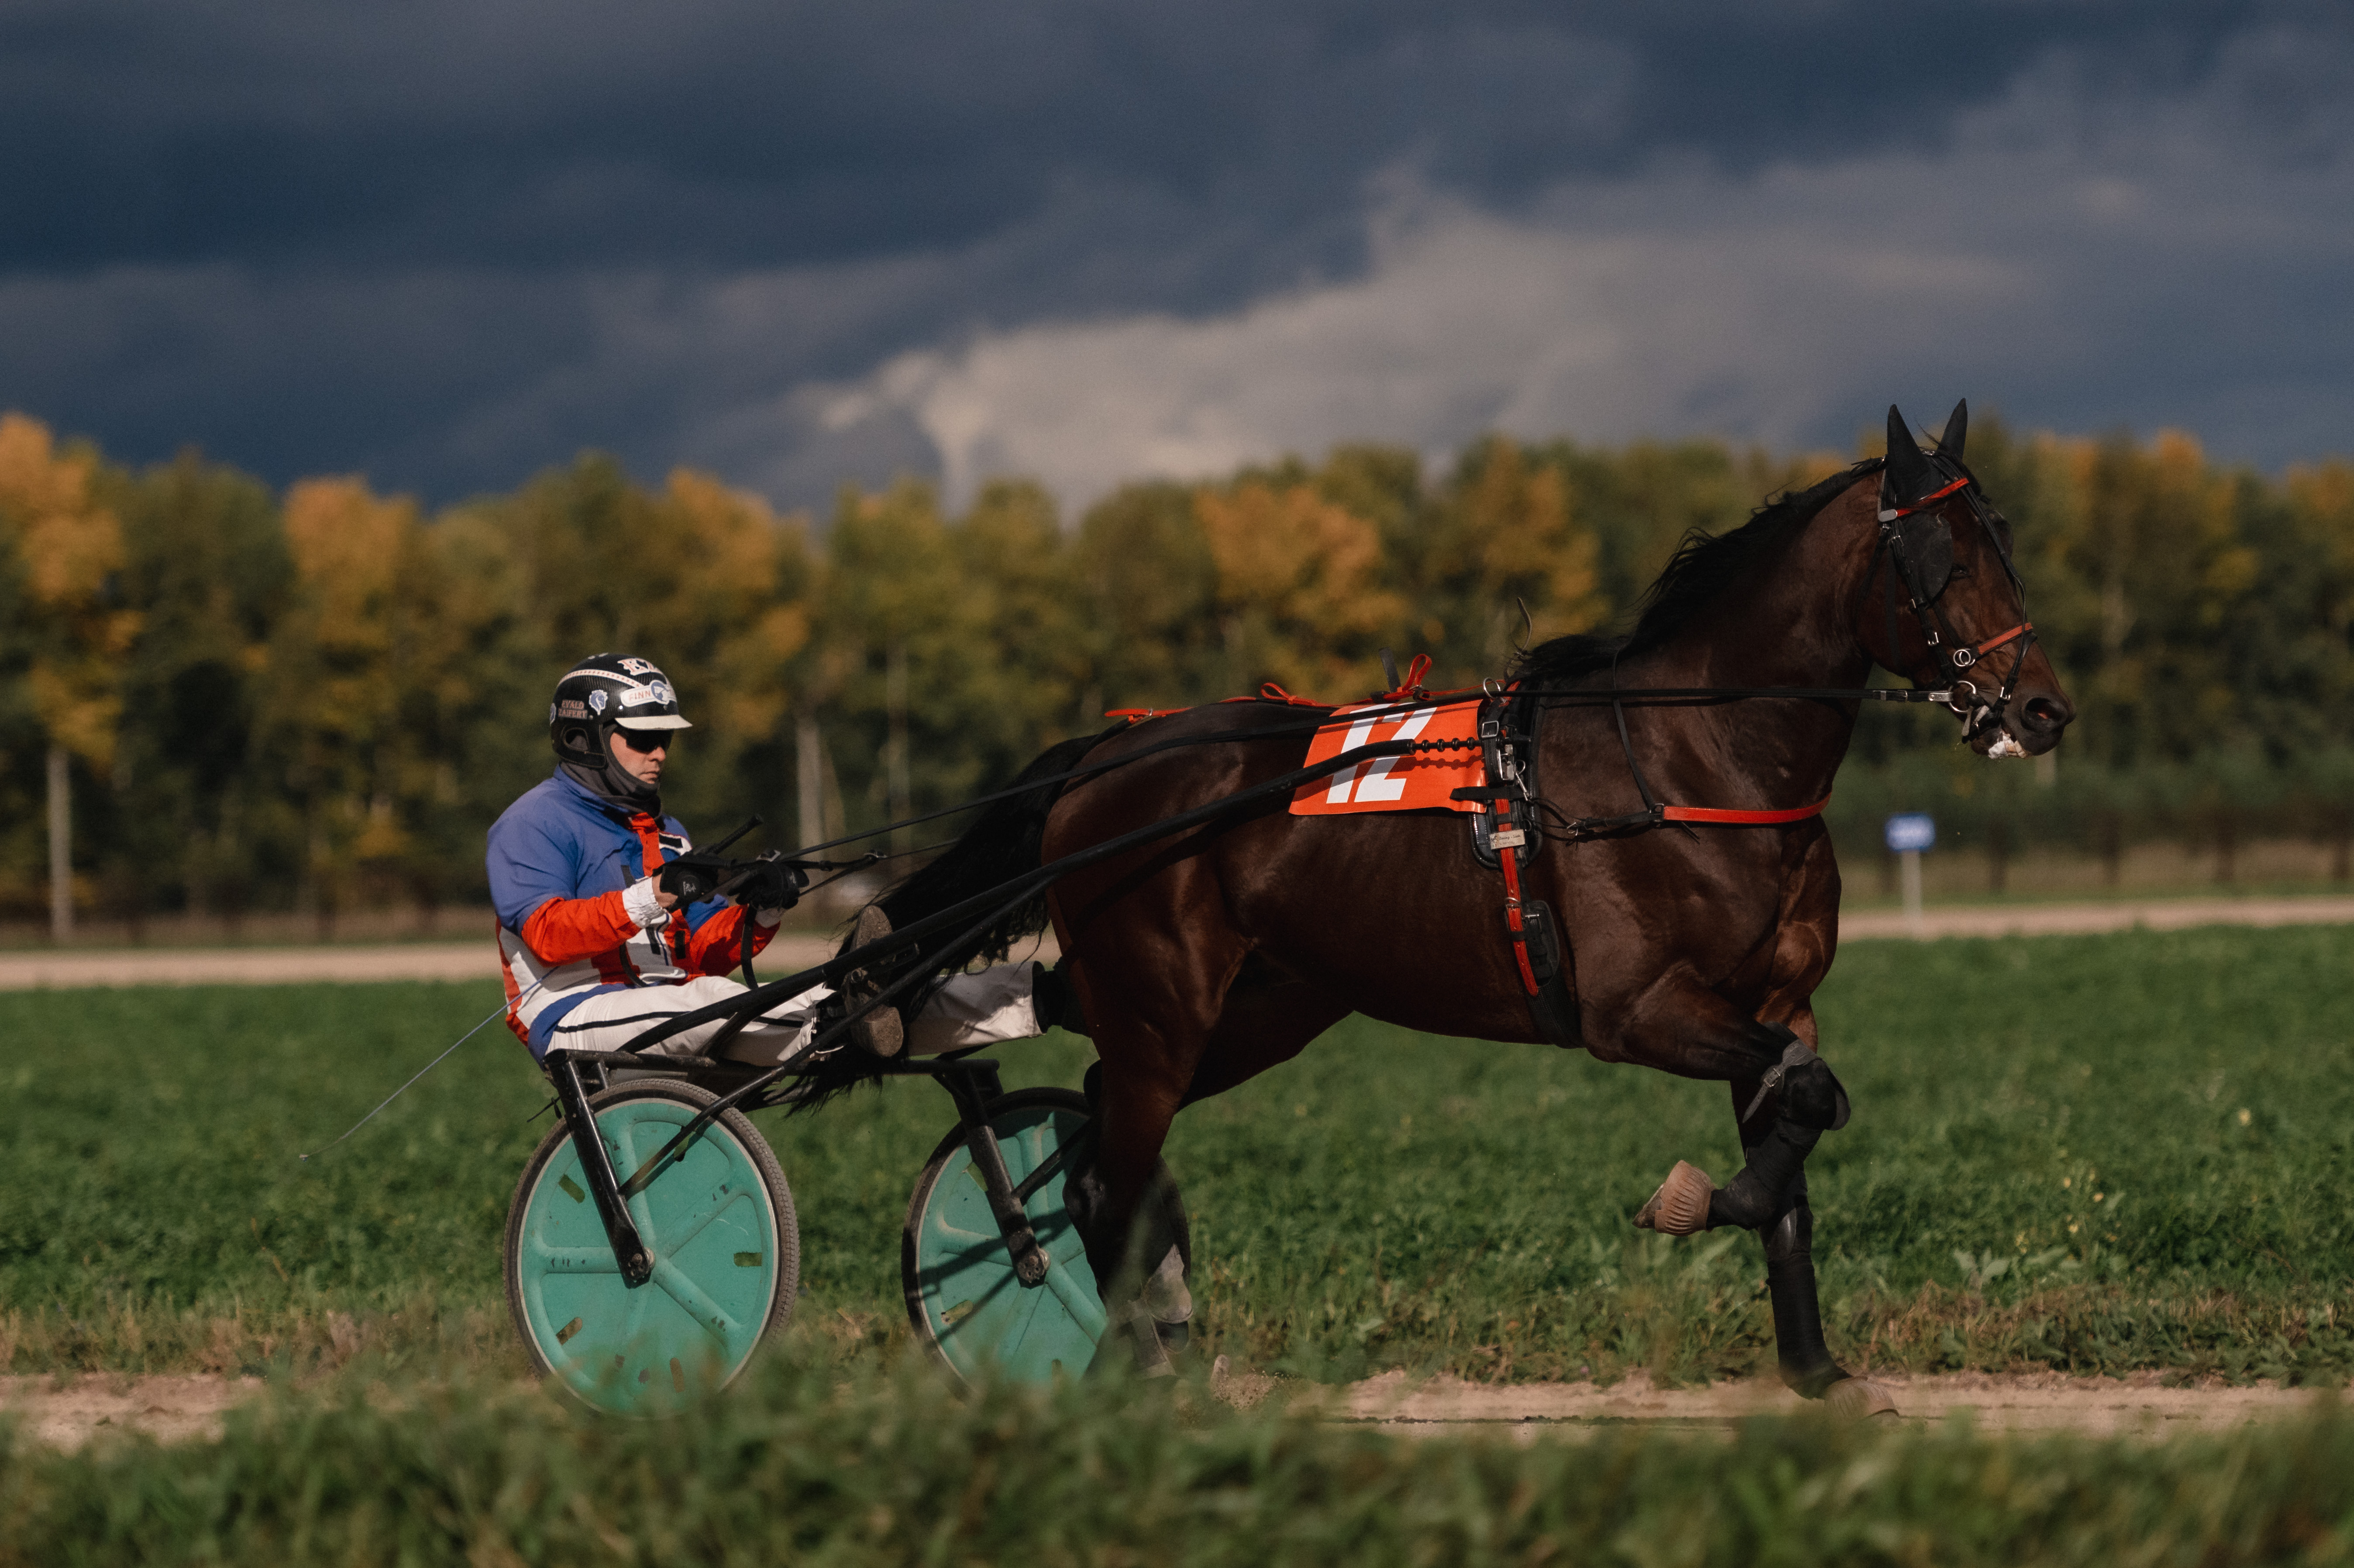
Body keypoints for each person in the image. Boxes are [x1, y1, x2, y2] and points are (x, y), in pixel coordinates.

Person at [488, 653, 1061, 1066]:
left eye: (666, 737)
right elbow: (547, 935)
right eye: (643, 738)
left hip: (672, 1008)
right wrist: (656, 895)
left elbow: (707, 951)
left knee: (833, 994)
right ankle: (844, 1018)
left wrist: (761, 911)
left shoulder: (667, 834)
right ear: (584, 738)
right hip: (574, 1014)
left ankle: (1037, 996)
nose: (660, 752)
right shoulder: (532, 823)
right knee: (718, 1002)